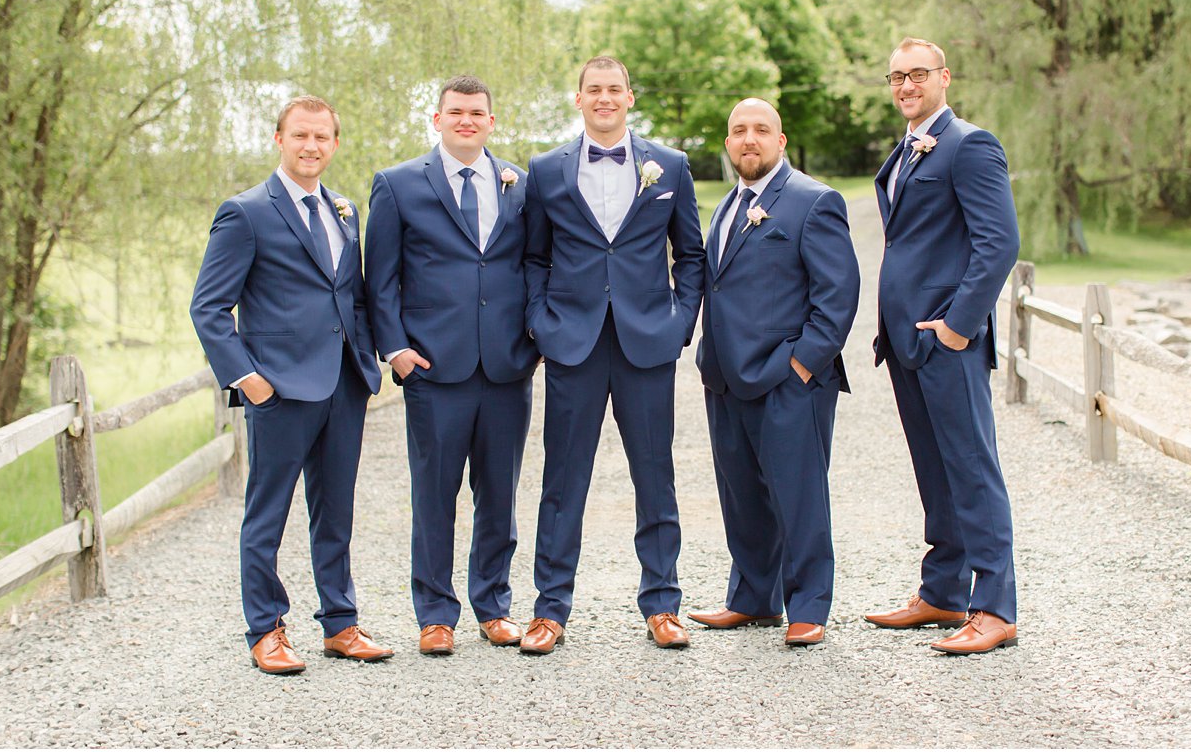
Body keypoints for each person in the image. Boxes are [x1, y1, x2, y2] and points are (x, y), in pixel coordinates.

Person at [190, 95, 391, 674]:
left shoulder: (344, 210)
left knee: (336, 513)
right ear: (279, 139)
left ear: (334, 143)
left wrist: (370, 362)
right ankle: (266, 630)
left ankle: (341, 624)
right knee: (268, 513)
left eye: (322, 137)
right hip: (278, 392)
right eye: (300, 135)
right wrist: (249, 380)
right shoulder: (246, 212)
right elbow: (208, 309)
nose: (311, 146)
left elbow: (348, 296)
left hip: (343, 385)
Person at [519, 55, 706, 654]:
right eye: (593, 90)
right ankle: (550, 610)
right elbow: (534, 258)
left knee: (656, 475)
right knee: (562, 479)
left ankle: (663, 604)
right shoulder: (546, 170)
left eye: (614, 90)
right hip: (572, 342)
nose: (604, 98)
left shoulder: (669, 166)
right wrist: (540, 323)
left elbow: (692, 255)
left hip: (646, 341)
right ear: (578, 100)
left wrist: (679, 323)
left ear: (630, 97)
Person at [364, 76, 538, 656]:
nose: (468, 121)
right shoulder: (397, 185)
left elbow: (535, 264)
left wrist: (535, 339)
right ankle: (435, 615)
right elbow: (379, 280)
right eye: (456, 112)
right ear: (437, 120)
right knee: (434, 494)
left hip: (507, 366)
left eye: (478, 113)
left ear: (491, 121)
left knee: (500, 494)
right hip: (434, 368)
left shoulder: (520, 183)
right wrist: (396, 350)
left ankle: (494, 606)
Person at [867, 37, 1021, 655]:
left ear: (944, 78)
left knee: (972, 468)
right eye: (897, 76)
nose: (906, 85)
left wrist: (959, 323)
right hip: (907, 341)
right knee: (934, 469)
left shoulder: (969, 145)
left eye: (918, 74)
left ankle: (995, 608)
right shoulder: (905, 150)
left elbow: (998, 242)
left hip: (946, 340)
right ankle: (944, 592)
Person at [688, 99, 860, 648]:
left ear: (781, 141)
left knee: (799, 494)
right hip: (725, 377)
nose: (749, 140)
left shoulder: (814, 201)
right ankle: (753, 599)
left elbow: (837, 296)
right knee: (741, 495)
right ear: (727, 142)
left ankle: (808, 606)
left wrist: (801, 365)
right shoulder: (725, 207)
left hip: (789, 379)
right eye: (738, 130)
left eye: (761, 130)